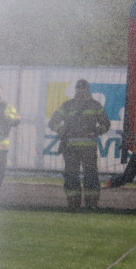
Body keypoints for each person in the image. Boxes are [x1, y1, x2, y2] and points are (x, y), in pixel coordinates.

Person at [48, 79, 111, 210]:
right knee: (74, 176)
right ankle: (76, 204)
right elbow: (53, 122)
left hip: (84, 148)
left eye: (83, 88)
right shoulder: (70, 105)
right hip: (73, 148)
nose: (81, 90)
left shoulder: (93, 105)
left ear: (87, 89)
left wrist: (96, 132)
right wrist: (63, 131)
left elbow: (106, 124)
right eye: (79, 88)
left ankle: (88, 204)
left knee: (89, 175)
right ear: (76, 89)